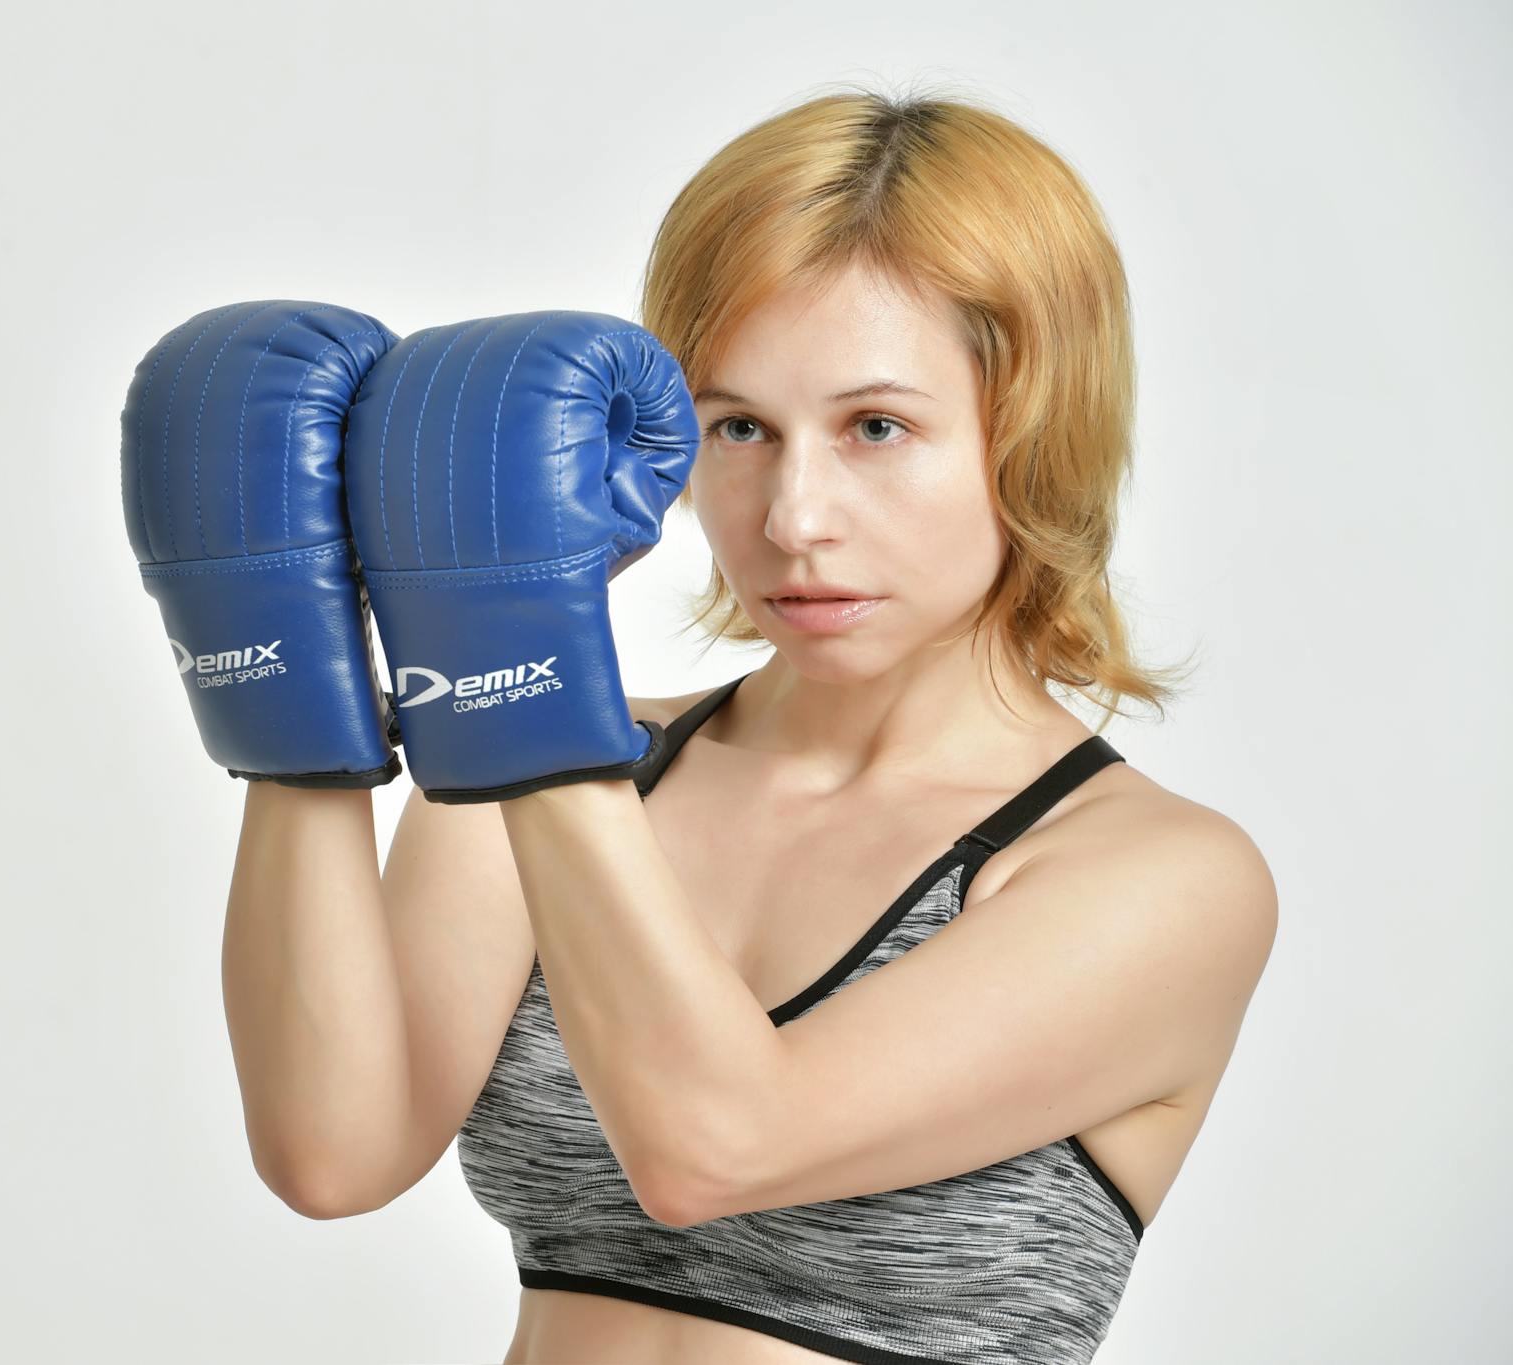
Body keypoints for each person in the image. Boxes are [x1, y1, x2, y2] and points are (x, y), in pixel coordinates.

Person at [166, 84, 1276, 1365]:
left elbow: (713, 1147)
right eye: (737, 426)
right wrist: (294, 717)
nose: (793, 516)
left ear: (1030, 438)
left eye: (875, 427)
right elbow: (331, 1152)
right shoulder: (573, 761)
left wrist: (521, 692)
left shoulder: (1156, 879)